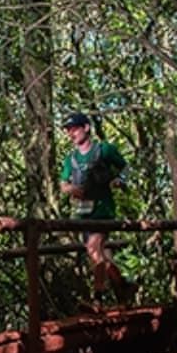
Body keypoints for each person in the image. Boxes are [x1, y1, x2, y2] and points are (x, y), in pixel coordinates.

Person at [59, 110, 133, 304]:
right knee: (101, 257)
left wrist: (119, 180)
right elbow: (63, 183)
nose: (71, 133)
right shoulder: (71, 160)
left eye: (75, 128)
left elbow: (125, 167)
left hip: (103, 211)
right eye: (68, 130)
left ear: (86, 128)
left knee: (93, 249)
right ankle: (123, 287)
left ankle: (97, 299)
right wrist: (73, 189)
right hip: (83, 214)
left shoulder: (104, 150)